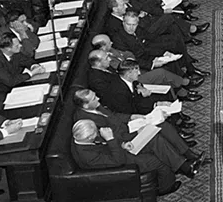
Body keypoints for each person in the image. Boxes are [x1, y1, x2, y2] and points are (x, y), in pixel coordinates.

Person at [72, 89, 206, 179]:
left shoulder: (96, 106)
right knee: (154, 136)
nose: (98, 98)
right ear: (85, 106)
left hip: (127, 127)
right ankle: (184, 166)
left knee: (163, 125)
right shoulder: (86, 123)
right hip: (123, 138)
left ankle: (188, 155)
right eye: (94, 98)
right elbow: (106, 139)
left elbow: (114, 116)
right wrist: (134, 134)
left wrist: (131, 116)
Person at [70, 119, 181, 196]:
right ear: (89, 138)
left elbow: (103, 145)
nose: (98, 133)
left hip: (119, 151)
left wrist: (122, 144)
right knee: (156, 161)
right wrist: (110, 139)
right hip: (121, 164)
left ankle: (178, 164)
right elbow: (118, 161)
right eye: (95, 133)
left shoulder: (81, 137)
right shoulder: (88, 157)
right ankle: (166, 187)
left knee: (153, 141)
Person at [109, 13, 203, 102]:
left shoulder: (138, 30)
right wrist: (152, 64)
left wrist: (163, 53)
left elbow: (147, 46)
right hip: (138, 64)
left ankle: (183, 83)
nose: (131, 28)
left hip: (146, 56)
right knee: (164, 69)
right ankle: (183, 90)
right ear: (123, 22)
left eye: (134, 24)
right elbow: (131, 60)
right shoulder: (118, 39)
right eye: (128, 24)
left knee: (170, 59)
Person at [0, 33, 47, 112]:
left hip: (8, 83)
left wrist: (34, 66)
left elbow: (25, 59)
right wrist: (32, 73)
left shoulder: (13, 51)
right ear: (8, 48)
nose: (20, 46)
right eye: (17, 46)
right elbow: (10, 81)